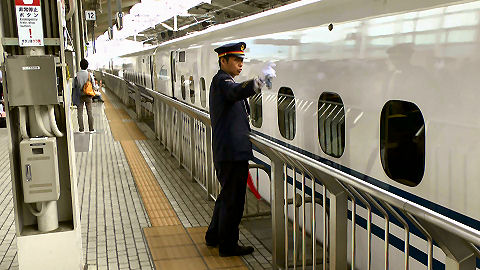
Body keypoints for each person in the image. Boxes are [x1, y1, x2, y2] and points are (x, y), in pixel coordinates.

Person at [205, 42, 276, 257]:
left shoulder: (224, 82)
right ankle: (228, 245)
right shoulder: (222, 81)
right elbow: (236, 92)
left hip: (230, 151)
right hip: (231, 153)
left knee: (227, 196)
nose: (240, 64)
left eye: (242, 60)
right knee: (233, 201)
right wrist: (259, 81)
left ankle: (214, 235)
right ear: (223, 61)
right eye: (236, 60)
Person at [73, 59, 96, 133]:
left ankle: (81, 129)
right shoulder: (89, 74)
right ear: (87, 66)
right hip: (88, 96)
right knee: (90, 112)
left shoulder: (77, 75)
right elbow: (94, 86)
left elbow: (74, 86)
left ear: (80, 66)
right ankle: (91, 129)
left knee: (80, 113)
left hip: (80, 96)